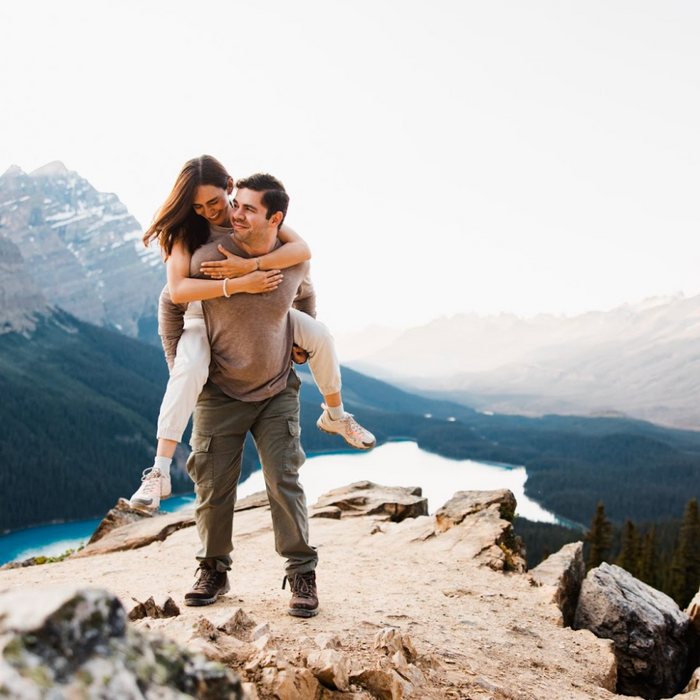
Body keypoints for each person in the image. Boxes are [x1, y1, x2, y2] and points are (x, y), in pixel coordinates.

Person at [129, 157, 375, 512]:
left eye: (214, 203)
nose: (209, 213)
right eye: (197, 206)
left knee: (319, 335)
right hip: (207, 315)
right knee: (189, 367)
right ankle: (160, 472)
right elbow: (178, 292)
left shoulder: (247, 215)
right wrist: (238, 282)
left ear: (229, 187)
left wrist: (252, 265)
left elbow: (303, 251)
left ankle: (335, 416)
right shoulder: (187, 230)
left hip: (266, 314)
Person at [163, 170, 318, 615]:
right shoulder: (207, 254)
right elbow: (170, 301)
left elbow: (306, 291)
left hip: (276, 389)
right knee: (211, 485)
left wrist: (302, 344)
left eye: (246, 208)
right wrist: (183, 370)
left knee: (284, 480)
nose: (233, 214)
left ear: (275, 217)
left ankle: (301, 573)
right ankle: (213, 569)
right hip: (219, 391)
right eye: (235, 207)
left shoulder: (291, 259)